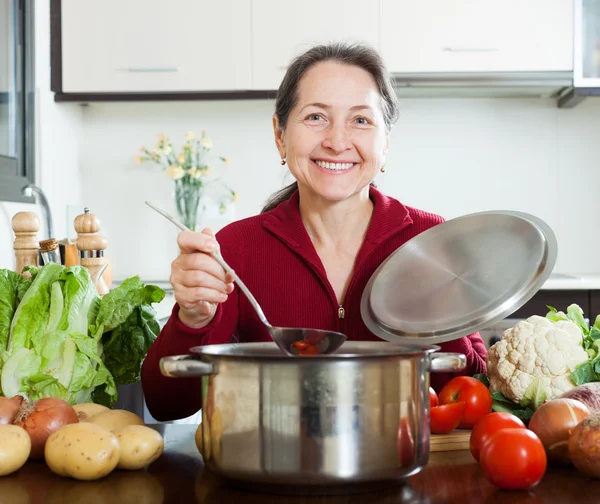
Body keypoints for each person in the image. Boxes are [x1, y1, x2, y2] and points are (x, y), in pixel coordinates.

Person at [141, 42, 487, 422]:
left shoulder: (431, 240)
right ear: (280, 135)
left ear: (384, 143)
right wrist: (192, 320)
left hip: (402, 463)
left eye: (360, 120)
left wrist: (441, 313)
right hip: (274, 468)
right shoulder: (235, 250)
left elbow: (471, 391)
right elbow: (166, 403)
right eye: (316, 117)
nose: (337, 142)